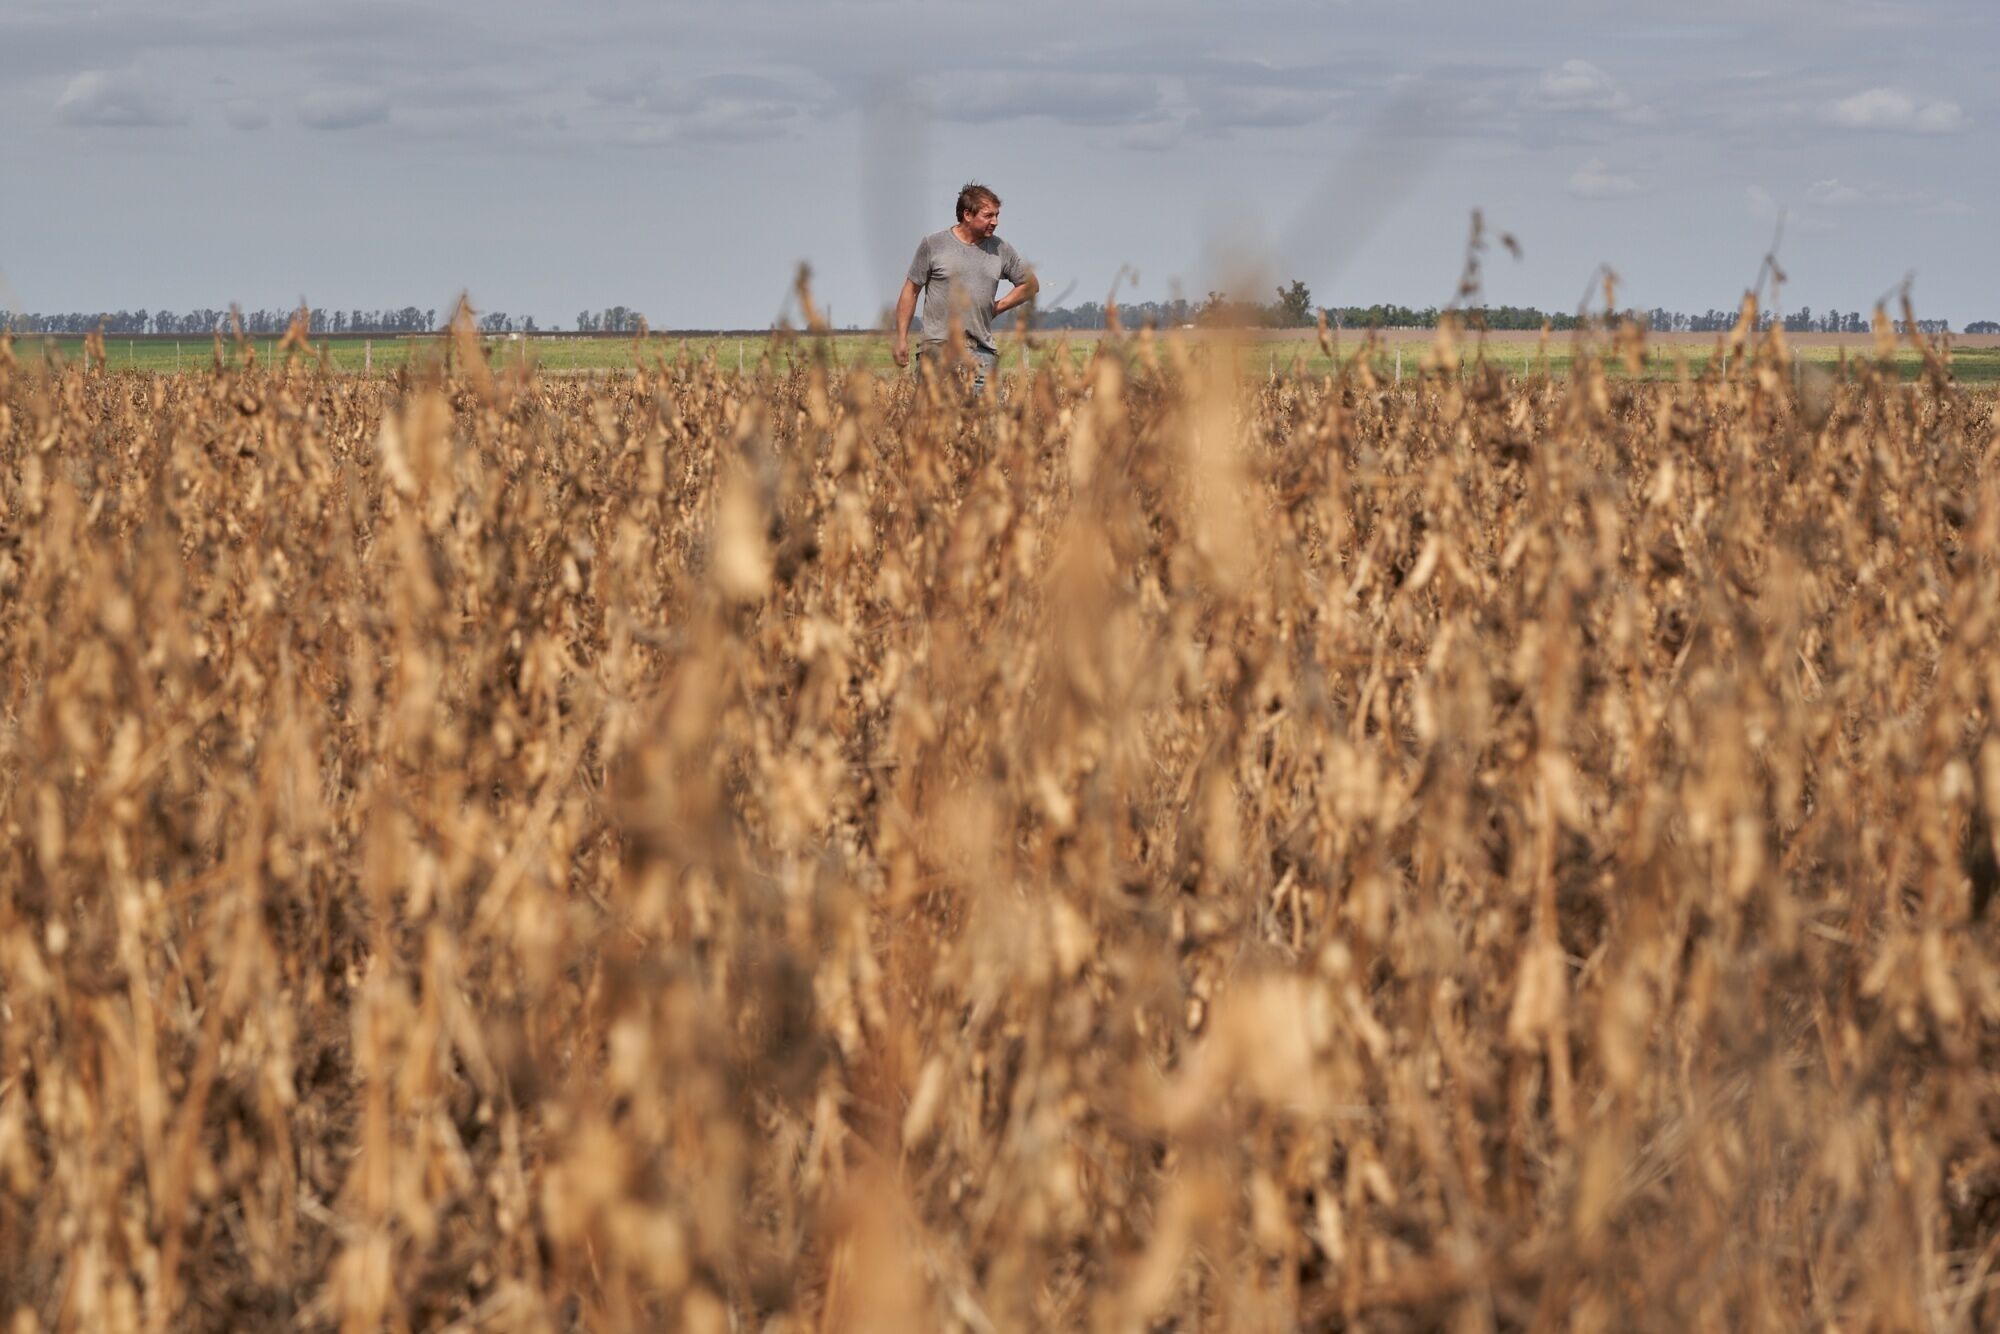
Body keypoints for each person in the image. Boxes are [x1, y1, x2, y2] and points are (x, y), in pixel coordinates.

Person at [893, 182, 1038, 394]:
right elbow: (910, 290)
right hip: (937, 349)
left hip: (981, 352)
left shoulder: (1001, 249)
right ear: (967, 215)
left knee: (984, 422)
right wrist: (901, 339)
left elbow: (1030, 285)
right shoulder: (934, 244)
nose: (995, 222)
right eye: (988, 216)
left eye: (997, 215)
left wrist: (996, 307)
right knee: (935, 423)